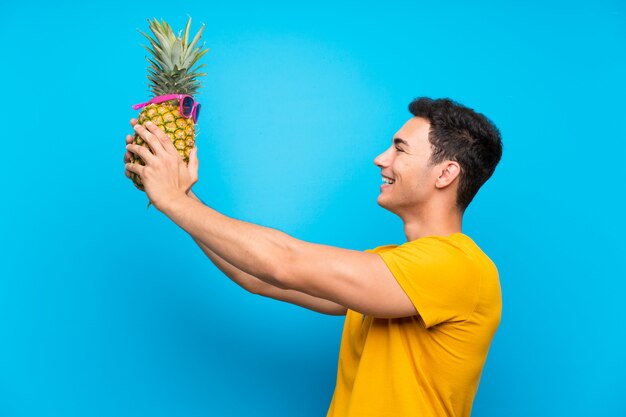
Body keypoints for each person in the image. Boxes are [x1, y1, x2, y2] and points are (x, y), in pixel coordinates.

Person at [124, 97, 504, 417]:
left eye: (400, 149)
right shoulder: (390, 269)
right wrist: (183, 198)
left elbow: (283, 262)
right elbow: (257, 277)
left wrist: (173, 201)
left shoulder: (458, 266)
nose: (380, 159)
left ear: (446, 173)